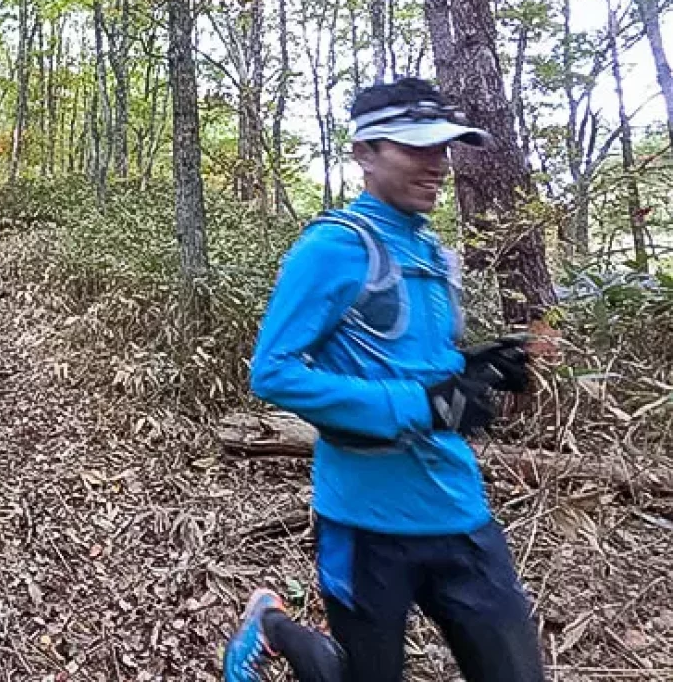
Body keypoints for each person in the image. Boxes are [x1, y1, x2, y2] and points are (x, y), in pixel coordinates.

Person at [225, 78, 544, 682]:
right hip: (363, 522)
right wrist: (420, 404)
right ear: (364, 153)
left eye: (444, 148)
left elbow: (419, 365)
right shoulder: (333, 248)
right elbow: (273, 372)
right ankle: (271, 626)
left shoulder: (433, 251)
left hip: (459, 513)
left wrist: (474, 369)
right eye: (416, 148)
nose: (438, 164)